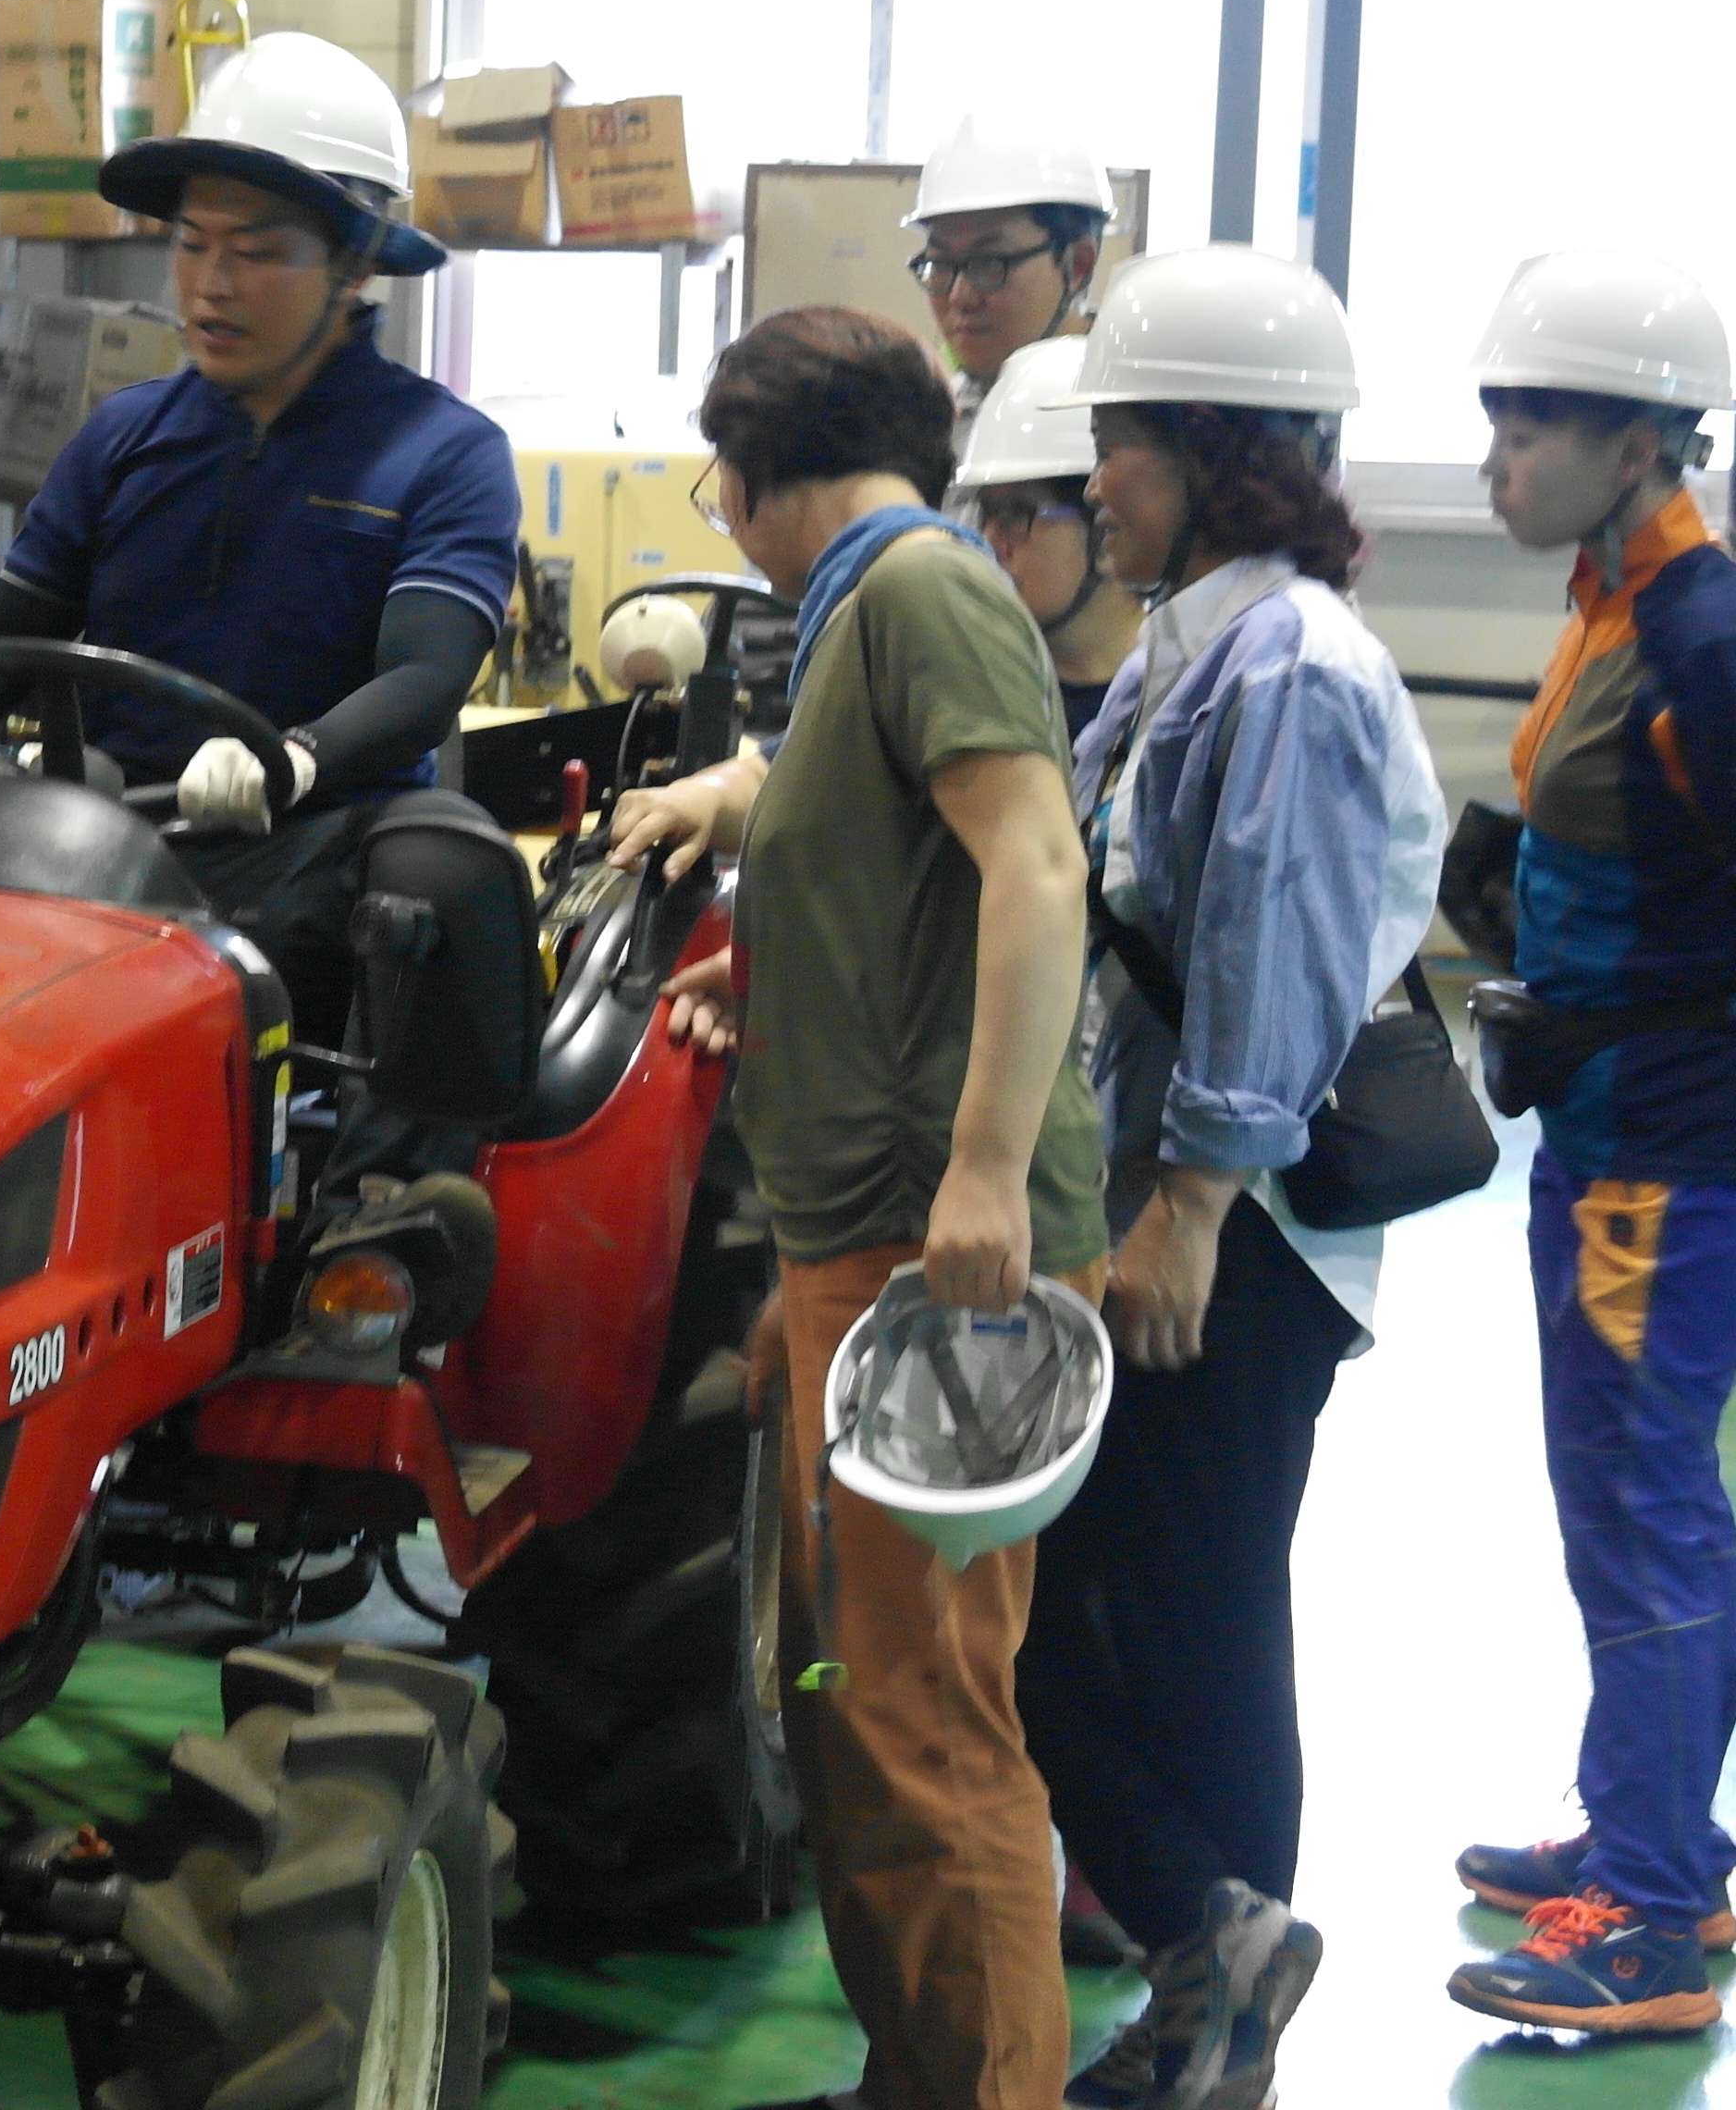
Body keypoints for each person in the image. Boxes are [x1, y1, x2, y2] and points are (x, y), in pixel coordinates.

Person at [609, 304, 1106, 2110]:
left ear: (749, 477)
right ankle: (920, 2073)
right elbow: (879, 879)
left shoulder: (914, 594)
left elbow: (1034, 861)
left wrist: (982, 1169)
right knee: (856, 1692)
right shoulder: (858, 620)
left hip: (933, 1238)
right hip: (860, 1243)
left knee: (927, 1712)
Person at [998, 250, 1439, 2109]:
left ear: (1219, 449)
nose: (1095, 482)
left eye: (1121, 443)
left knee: (1185, 1606)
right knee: (1113, 1600)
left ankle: (1217, 1975)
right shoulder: (1205, 635)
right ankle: (1212, 1964)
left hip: (1233, 1229)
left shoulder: (1292, 664)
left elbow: (1265, 945)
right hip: (1171, 1202)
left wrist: (1186, 1205)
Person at [0, 32, 520, 1070]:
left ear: (355, 263)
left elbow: (425, 675)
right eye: (193, 243)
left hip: (304, 838)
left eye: (257, 250)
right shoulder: (124, 436)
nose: (211, 283)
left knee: (437, 860)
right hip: (89, 824)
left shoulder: (444, 451)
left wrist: (294, 757)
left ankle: (373, 1211)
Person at [1443, 251, 1736, 2040]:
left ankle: (1644, 1918)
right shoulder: (1608, 598)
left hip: (1664, 1161)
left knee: (1640, 1509)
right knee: (1614, 1503)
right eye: (1488, 420)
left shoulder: (1701, 636)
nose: (1497, 457)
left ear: (1640, 441)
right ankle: (1648, 1833)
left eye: (1532, 422)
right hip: (1600, 1130)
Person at [950, 334, 1142, 747]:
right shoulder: (970, 689)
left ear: (1106, 527)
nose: (990, 539)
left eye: (1017, 514)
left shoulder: (1180, 692)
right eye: (986, 512)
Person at [904, 118, 1114, 431]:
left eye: (989, 263)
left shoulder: (1134, 422)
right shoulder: (938, 423)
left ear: (1078, 265)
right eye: (941, 263)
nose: (959, 297)